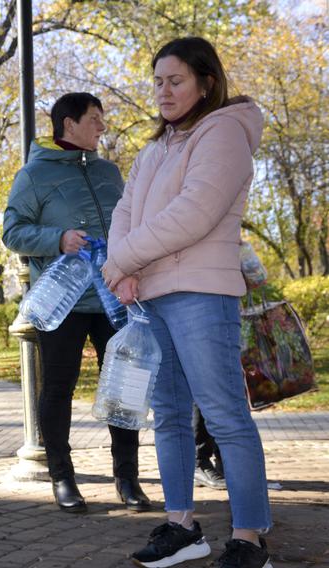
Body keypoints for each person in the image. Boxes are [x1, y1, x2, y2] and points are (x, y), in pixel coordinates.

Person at [102, 37, 272, 568]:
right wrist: (124, 267)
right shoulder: (156, 148)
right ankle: (182, 527)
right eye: (157, 82)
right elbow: (124, 212)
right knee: (170, 417)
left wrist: (119, 262)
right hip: (151, 296)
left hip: (201, 292)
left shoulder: (223, 132)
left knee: (224, 416)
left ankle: (249, 538)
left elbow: (193, 215)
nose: (164, 91)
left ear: (206, 82)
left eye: (175, 81)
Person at [2, 92, 150, 514]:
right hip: (62, 301)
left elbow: (130, 223)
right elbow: (13, 231)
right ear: (69, 123)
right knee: (58, 389)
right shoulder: (33, 175)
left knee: (126, 386)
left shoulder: (109, 172)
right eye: (95, 119)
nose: (103, 127)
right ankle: (63, 478)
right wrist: (58, 239)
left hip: (115, 299)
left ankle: (128, 479)